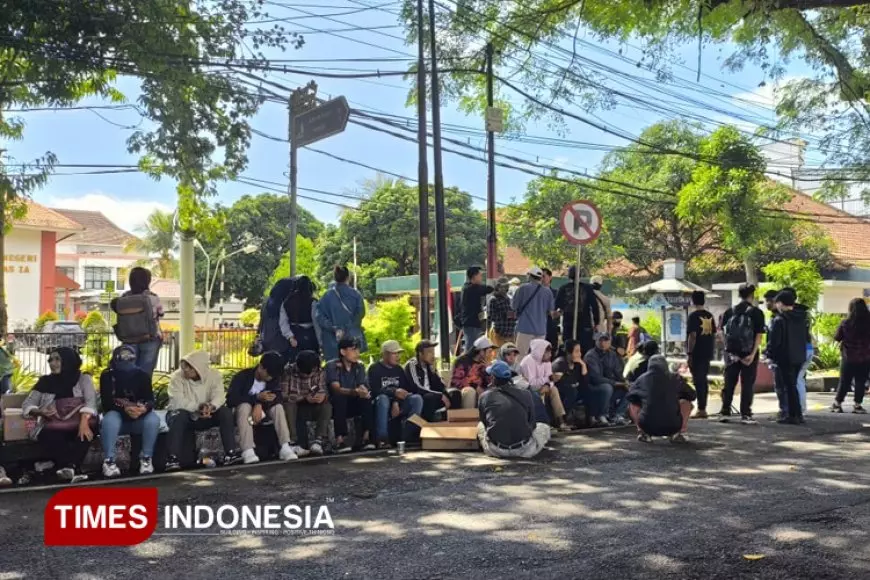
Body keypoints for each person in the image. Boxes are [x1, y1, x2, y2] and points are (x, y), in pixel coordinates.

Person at [21, 347, 97, 484]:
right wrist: (40, 412)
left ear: (68, 361)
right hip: (54, 424)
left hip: (78, 423)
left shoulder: (83, 379)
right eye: (50, 360)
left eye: (57, 359)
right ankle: (73, 468)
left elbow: (91, 403)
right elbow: (27, 405)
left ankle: (66, 467)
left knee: (86, 431)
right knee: (48, 434)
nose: (52, 363)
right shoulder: (45, 382)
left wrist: (84, 421)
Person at [165, 351, 242, 470]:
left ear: (199, 368)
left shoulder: (214, 375)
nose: (185, 370)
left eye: (189, 367)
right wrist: (198, 407)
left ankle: (231, 454)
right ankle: (172, 459)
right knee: (179, 415)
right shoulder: (177, 377)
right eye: (184, 366)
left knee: (225, 412)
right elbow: (177, 401)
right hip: (185, 414)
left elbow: (219, 395)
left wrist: (211, 406)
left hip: (208, 413)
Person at [99, 345, 160, 478]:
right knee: (110, 418)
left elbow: (150, 400)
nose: (126, 360)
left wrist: (143, 409)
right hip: (118, 418)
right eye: (123, 356)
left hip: (138, 416)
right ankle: (109, 460)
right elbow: (107, 403)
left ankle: (146, 459)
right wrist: (125, 409)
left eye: (130, 356)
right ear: (115, 358)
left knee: (153, 419)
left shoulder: (142, 375)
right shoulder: (107, 375)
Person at [227, 352, 297, 463]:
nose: (269, 378)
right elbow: (231, 399)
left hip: (263, 413)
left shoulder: (273, 379)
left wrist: (259, 404)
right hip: (244, 415)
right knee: (244, 406)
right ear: (261, 367)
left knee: (277, 407)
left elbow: (277, 397)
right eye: (268, 374)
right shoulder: (242, 377)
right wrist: (256, 398)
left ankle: (285, 446)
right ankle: (247, 450)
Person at [477, 360, 551, 459]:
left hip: (496, 450)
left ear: (493, 378)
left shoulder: (484, 396)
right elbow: (532, 424)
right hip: (524, 449)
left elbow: (485, 423)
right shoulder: (526, 394)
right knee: (544, 427)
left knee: (479, 425)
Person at [719, 283, 766, 425]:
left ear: (739, 294)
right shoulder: (757, 313)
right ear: (752, 295)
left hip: (731, 353)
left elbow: (720, 331)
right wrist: (752, 353)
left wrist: (727, 346)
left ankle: (725, 411)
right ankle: (745, 414)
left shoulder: (729, 311)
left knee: (729, 382)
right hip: (748, 353)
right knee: (747, 383)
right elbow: (759, 335)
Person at [628, 355, 696, 443]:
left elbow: (630, 396)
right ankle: (679, 433)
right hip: (673, 425)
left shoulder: (642, 379)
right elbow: (692, 395)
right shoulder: (675, 378)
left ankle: (644, 434)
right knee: (686, 403)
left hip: (647, 425)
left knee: (633, 404)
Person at [369, 340, 424, 448]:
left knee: (417, 399)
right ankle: (382, 439)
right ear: (384, 354)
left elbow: (405, 389)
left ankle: (408, 435)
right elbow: (374, 390)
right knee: (383, 399)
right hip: (381, 402)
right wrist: (393, 392)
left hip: (398, 402)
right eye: (394, 353)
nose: (397, 356)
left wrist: (396, 402)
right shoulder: (374, 369)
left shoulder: (399, 369)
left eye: (398, 353)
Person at [326, 337, 376, 453]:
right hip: (336, 404)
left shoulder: (359, 366)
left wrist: (364, 392)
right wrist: (354, 391)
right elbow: (336, 389)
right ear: (343, 352)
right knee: (340, 398)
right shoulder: (332, 366)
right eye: (353, 350)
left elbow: (362, 384)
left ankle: (366, 438)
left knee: (366, 399)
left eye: (358, 350)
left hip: (353, 401)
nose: (357, 353)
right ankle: (340, 440)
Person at [112, 267, 165, 376]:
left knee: (128, 371)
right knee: (145, 373)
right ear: (147, 281)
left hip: (128, 339)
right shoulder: (152, 297)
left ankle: (129, 392)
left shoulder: (123, 298)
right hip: (150, 338)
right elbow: (161, 313)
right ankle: (143, 392)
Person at [764, 291, 806, 424]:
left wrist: (768, 354)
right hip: (799, 356)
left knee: (788, 387)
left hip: (785, 357)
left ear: (781, 303)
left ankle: (792, 415)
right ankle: (797, 414)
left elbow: (775, 341)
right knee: (793, 386)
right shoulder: (801, 317)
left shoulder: (780, 320)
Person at [552, 339, 612, 427]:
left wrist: (583, 366)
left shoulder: (578, 364)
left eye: (579, 351)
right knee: (572, 392)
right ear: (569, 353)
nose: (579, 354)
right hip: (564, 391)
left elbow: (585, 382)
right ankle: (564, 420)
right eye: (576, 351)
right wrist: (574, 384)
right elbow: (561, 383)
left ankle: (591, 418)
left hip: (576, 388)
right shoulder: (560, 363)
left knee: (589, 390)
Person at [283, 350, 331, 456]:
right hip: (296, 404)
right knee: (288, 406)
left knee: (327, 406)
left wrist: (322, 396)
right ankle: (293, 442)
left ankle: (318, 441)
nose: (311, 374)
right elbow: (284, 395)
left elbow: (323, 389)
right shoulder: (288, 371)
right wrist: (304, 398)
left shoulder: (319, 371)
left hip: (312, 405)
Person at [317, 265, 367, 362]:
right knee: (352, 367)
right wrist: (349, 327)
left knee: (334, 369)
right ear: (348, 277)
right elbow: (361, 313)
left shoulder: (326, 296)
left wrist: (334, 328)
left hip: (332, 341)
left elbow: (319, 317)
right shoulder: (356, 295)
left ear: (335, 278)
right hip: (352, 340)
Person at [519, 339, 570, 431]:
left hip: (544, 387)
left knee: (554, 389)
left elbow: (550, 380)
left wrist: (547, 384)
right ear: (540, 352)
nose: (550, 355)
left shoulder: (547, 362)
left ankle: (561, 421)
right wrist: (548, 380)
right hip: (529, 390)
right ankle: (544, 423)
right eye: (548, 352)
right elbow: (530, 383)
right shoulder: (527, 362)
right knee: (539, 395)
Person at [832, 297, 870, 414]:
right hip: (865, 356)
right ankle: (857, 405)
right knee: (860, 381)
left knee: (844, 381)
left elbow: (837, 337)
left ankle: (837, 404)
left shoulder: (846, 323)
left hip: (848, 356)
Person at [512, 267, 557, 357]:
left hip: (525, 328)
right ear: (540, 278)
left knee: (520, 357)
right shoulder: (548, 292)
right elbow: (550, 310)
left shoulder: (522, 289)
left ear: (530, 276)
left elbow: (514, 306)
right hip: (541, 330)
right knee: (538, 357)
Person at [585, 333, 629, 424]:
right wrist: (615, 383)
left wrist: (625, 382)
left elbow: (618, 372)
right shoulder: (591, 355)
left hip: (610, 384)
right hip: (593, 386)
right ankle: (602, 415)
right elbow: (596, 378)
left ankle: (618, 414)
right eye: (600, 340)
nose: (603, 343)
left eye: (606, 340)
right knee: (607, 388)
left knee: (631, 388)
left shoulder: (612, 354)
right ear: (596, 341)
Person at [782, 287, 813, 417]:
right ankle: (800, 408)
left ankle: (798, 409)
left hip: (797, 349)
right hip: (808, 347)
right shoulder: (804, 313)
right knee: (799, 379)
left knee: (795, 381)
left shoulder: (789, 315)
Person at [555, 266, 599, 356]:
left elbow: (557, 305)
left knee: (569, 348)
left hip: (568, 323)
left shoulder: (563, 288)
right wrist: (596, 321)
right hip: (585, 324)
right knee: (584, 350)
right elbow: (594, 306)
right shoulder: (588, 288)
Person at [404, 340, 452, 421]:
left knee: (454, 394)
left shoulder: (429, 365)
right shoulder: (412, 365)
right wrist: (440, 395)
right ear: (420, 354)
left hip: (432, 395)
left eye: (433, 352)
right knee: (431, 397)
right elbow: (416, 387)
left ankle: (450, 422)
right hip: (419, 396)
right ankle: (429, 425)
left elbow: (440, 387)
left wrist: (433, 372)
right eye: (429, 352)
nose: (433, 355)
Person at [686, 291, 717, 419]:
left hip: (697, 353)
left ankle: (701, 409)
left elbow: (692, 336)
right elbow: (714, 334)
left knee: (698, 381)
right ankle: (703, 407)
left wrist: (689, 353)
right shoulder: (709, 316)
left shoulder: (693, 316)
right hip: (707, 351)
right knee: (703, 380)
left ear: (693, 301)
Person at [280, 275, 320, 363]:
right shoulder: (313, 302)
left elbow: (283, 322)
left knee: (296, 363)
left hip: (294, 335)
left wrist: (290, 337)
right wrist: (321, 341)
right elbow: (317, 323)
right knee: (311, 363)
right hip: (311, 336)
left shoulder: (287, 301)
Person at [450, 336, 496, 408]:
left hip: (482, 393)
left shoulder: (486, 363)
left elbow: (490, 383)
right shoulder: (462, 361)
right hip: (464, 392)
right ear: (481, 351)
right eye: (489, 351)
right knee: (470, 391)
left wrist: (488, 370)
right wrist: (475, 386)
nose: (491, 354)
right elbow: (456, 381)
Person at [460, 266, 495, 351]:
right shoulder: (471, 288)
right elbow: (489, 289)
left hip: (474, 322)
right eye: (480, 275)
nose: (481, 277)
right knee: (471, 347)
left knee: (475, 347)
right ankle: (466, 363)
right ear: (474, 276)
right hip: (471, 323)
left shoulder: (469, 287)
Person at [487, 277, 516, 347]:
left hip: (511, 333)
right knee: (499, 354)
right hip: (499, 333)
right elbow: (491, 317)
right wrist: (505, 315)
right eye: (502, 287)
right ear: (498, 287)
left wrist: (513, 315)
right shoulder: (493, 299)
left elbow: (515, 314)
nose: (505, 288)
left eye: (506, 286)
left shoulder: (509, 298)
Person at [541, 268, 560, 352]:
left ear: (550, 277)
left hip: (551, 327)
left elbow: (560, 309)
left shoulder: (556, 293)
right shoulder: (535, 293)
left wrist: (556, 313)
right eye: (540, 276)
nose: (541, 278)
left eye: (544, 276)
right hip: (537, 328)